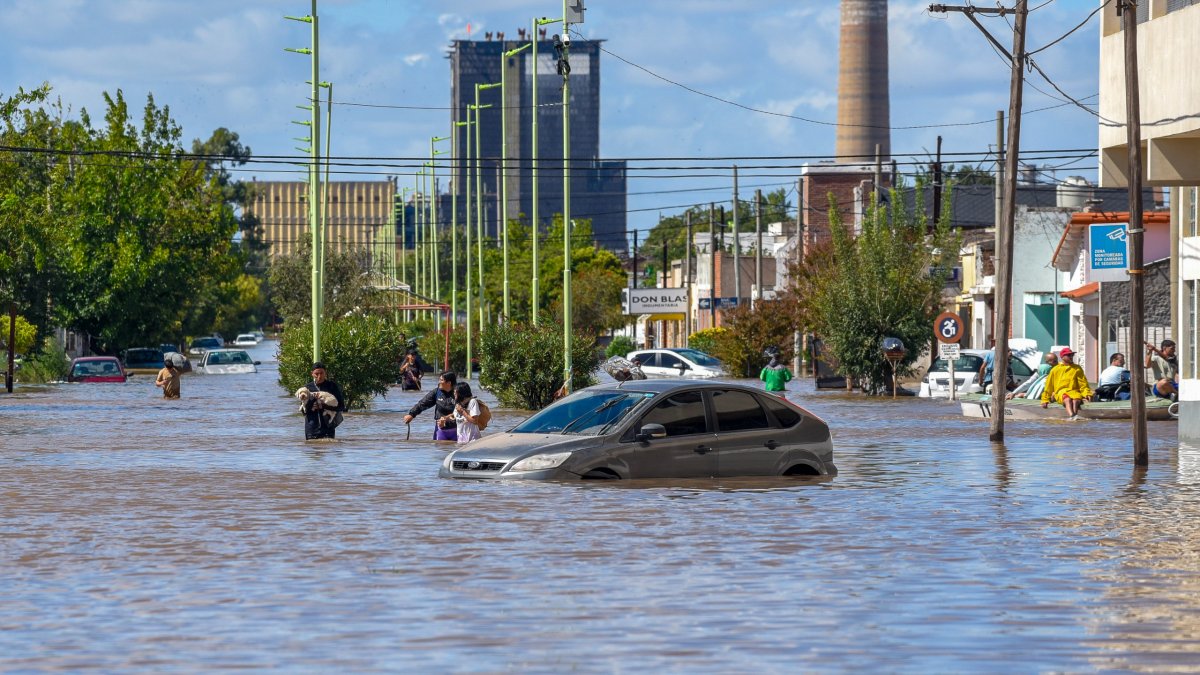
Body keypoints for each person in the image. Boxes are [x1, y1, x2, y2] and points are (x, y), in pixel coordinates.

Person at [403, 371, 458, 441]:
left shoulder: (458, 392)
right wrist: (411, 414)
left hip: (457, 429)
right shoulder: (436, 392)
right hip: (440, 429)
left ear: (449, 383)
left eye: (441, 380)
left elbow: (465, 408)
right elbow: (422, 404)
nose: (439, 382)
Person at [1040, 347, 1092, 419]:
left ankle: (1074, 418)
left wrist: (1087, 393)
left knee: (1076, 400)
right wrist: (1045, 399)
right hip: (1061, 392)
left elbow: (1083, 383)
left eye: (1072, 355)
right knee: (1067, 399)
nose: (1071, 357)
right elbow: (1049, 386)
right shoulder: (1055, 369)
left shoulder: (1077, 368)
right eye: (1068, 355)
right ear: (1062, 357)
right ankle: (1072, 415)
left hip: (1074, 391)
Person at [303, 362, 346, 440]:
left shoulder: (332, 386)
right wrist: (312, 402)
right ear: (312, 373)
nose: (319, 376)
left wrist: (324, 406)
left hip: (328, 427)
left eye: (322, 373)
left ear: (325, 373)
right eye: (316, 373)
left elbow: (341, 406)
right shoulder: (307, 388)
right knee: (311, 451)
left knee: (328, 449)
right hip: (312, 428)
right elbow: (304, 411)